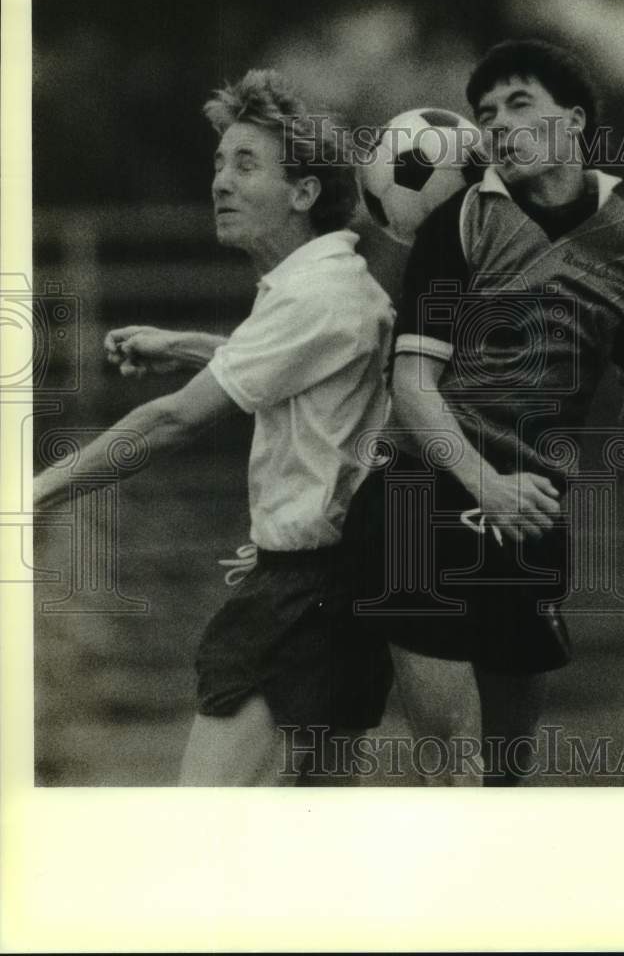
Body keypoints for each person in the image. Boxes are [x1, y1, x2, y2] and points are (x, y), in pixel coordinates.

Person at [34, 68, 395, 786]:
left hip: (301, 600)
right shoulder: (326, 288)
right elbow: (299, 374)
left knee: (209, 831)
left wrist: (37, 488)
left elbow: (171, 422)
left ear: (304, 193)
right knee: (310, 847)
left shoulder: (316, 297)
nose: (220, 183)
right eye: (218, 164)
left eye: (246, 164)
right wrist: (187, 345)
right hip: (333, 591)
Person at [346, 38, 624, 786]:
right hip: (420, 497)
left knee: (506, 776)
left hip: (530, 511)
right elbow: (411, 384)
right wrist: (482, 483)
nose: (497, 125)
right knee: (456, 776)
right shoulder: (460, 224)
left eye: (518, 104)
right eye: (485, 113)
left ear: (574, 119)